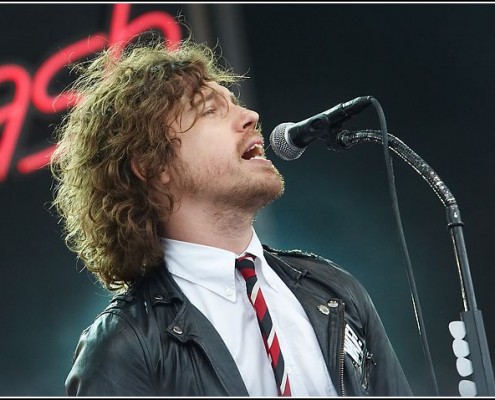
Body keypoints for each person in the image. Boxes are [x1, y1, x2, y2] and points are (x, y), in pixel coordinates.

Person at [51, 32, 413, 397]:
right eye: (210, 109)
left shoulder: (335, 290)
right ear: (151, 164)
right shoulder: (123, 346)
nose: (251, 116)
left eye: (235, 103)